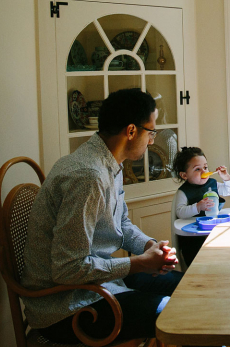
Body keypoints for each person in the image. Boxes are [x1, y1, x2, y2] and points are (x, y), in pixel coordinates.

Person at [22, 88, 182, 343]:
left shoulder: (109, 162)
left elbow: (121, 223)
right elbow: (67, 269)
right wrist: (140, 263)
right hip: (67, 307)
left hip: (98, 284)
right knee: (178, 313)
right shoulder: (88, 176)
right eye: (150, 132)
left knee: (186, 286)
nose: (152, 140)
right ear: (131, 131)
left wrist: (150, 246)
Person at [173, 147, 230, 265]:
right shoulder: (183, 192)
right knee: (198, 262)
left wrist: (226, 177)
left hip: (213, 232)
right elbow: (180, 212)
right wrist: (197, 207)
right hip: (193, 237)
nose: (204, 171)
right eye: (197, 169)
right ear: (184, 175)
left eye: (205, 167)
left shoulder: (212, 183)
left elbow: (229, 191)